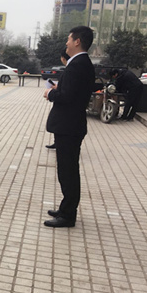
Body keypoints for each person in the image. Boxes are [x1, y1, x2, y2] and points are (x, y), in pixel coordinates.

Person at [43, 26, 95, 228]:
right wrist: (60, 88)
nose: (66, 43)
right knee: (67, 170)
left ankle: (67, 215)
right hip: (71, 125)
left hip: (69, 125)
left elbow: (67, 97)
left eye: (69, 39)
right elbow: (73, 92)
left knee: (68, 171)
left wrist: (51, 93)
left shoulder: (78, 65)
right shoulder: (80, 64)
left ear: (77, 41)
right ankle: (66, 208)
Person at [46, 50, 70, 150]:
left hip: (66, 109)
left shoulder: (71, 69)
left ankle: (60, 143)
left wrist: (50, 93)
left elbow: (66, 93)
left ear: (63, 58)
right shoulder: (69, 68)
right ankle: (57, 142)